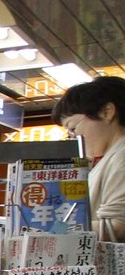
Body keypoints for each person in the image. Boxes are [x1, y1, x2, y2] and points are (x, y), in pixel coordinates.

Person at [54, 76, 125, 240]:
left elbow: (118, 226)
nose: (73, 137)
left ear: (106, 112)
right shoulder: (110, 156)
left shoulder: (122, 155)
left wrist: (56, 230)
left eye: (73, 128)